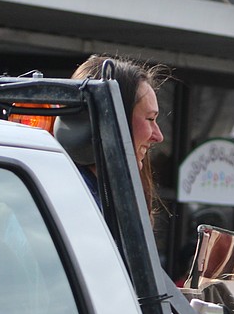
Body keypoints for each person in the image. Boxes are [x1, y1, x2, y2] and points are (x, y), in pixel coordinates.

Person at [61, 54, 167, 216]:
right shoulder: (80, 206)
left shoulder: (63, 190)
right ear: (112, 119)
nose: (158, 136)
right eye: (150, 119)